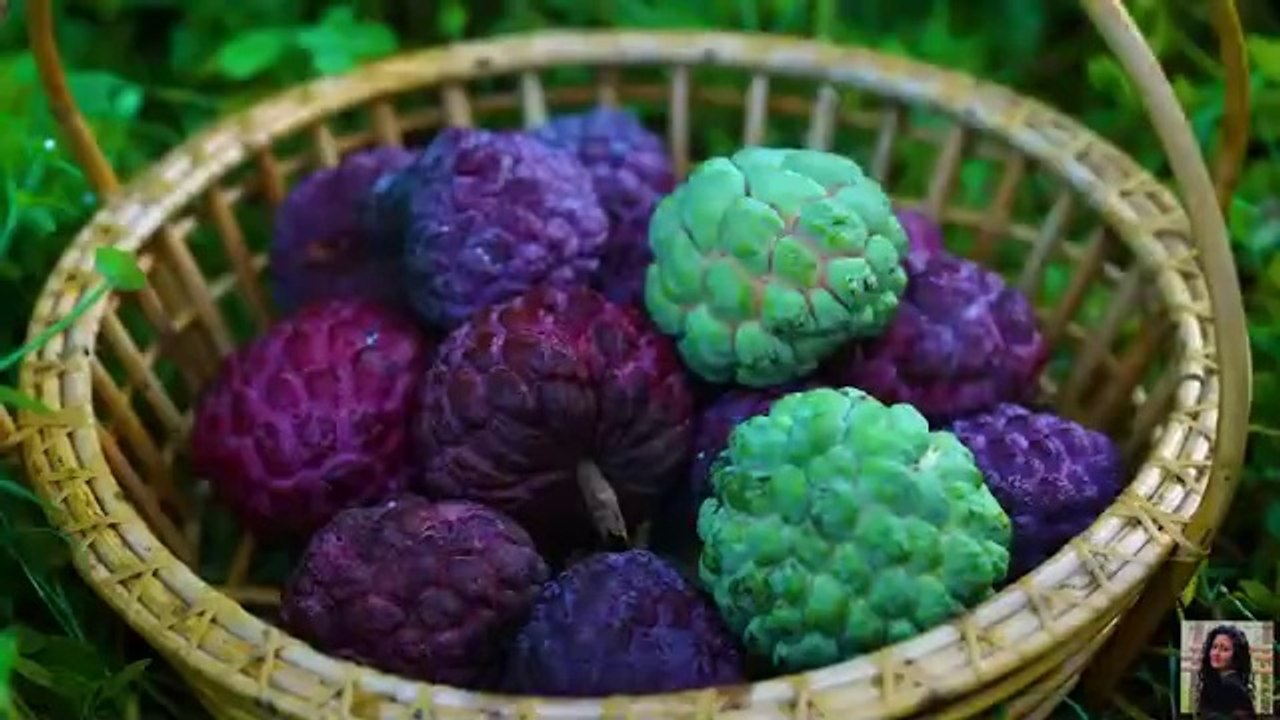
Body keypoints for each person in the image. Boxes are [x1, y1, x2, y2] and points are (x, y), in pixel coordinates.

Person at [1195, 624, 1258, 719]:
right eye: (1214, 647)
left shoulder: (1231, 687)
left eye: (1225, 649)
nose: (1216, 653)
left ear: (1236, 656)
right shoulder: (1219, 681)